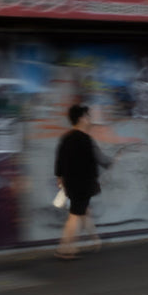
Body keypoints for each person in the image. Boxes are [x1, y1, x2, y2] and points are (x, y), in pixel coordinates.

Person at [54, 104, 107, 259]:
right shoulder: (85, 139)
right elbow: (97, 161)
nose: (89, 119)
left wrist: (59, 177)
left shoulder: (66, 137)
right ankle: (65, 249)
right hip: (82, 184)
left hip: (71, 183)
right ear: (81, 118)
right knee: (75, 215)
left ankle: (94, 241)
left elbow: (59, 160)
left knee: (83, 212)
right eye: (87, 116)